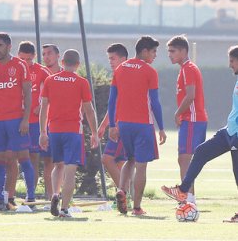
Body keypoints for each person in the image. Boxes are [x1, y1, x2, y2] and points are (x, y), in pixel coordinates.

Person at [161, 45, 238, 223]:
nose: (229, 65)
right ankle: (183, 190)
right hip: (229, 132)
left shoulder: (189, 69)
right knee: (201, 151)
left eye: (232, 61)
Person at [108, 36, 166, 215]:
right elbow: (155, 102)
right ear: (145, 51)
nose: (155, 55)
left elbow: (112, 100)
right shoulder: (150, 71)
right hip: (143, 125)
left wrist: (112, 125)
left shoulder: (120, 69)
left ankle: (121, 190)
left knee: (130, 159)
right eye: (154, 51)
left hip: (123, 124)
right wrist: (162, 127)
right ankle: (137, 207)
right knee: (141, 165)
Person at [0, 32, 35, 211]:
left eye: (0, 46)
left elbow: (27, 93)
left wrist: (25, 119)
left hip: (15, 120)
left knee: (24, 157)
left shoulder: (20, 66)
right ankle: (0, 200)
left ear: (9, 47)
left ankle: (31, 199)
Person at [39, 49, 99, 218]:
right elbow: (89, 109)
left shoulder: (50, 80)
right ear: (78, 65)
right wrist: (94, 133)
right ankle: (65, 209)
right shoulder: (82, 82)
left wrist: (43, 131)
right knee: (70, 169)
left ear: (62, 62)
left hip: (54, 130)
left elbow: (44, 107)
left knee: (57, 165)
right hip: (73, 131)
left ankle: (55, 195)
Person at [167, 35, 208, 204]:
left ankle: (187, 198)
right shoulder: (184, 69)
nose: (169, 54)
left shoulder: (189, 68)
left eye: (172, 51)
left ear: (183, 51)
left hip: (192, 119)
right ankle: (189, 197)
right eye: (168, 51)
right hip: (191, 120)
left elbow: (190, 95)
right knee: (184, 159)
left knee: (185, 158)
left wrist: (177, 113)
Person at [18, 41, 51, 196]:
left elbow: (54, 91)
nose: (25, 62)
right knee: (11, 157)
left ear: (34, 57)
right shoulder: (12, 69)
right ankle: (5, 195)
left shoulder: (41, 71)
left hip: (34, 123)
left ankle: (30, 195)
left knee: (33, 159)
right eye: (22, 59)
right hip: (15, 120)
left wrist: (42, 106)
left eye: (29, 59)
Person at [97, 43, 128, 190]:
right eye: (109, 59)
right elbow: (113, 105)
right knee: (120, 163)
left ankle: (125, 194)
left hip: (122, 126)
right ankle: (124, 198)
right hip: (118, 124)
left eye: (113, 58)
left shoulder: (126, 75)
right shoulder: (118, 75)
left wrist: (113, 126)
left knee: (107, 159)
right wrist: (104, 125)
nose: (110, 62)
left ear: (123, 58)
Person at [41, 43, 62, 199]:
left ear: (58, 56)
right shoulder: (42, 75)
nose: (46, 57)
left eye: (49, 53)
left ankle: (61, 194)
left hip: (64, 125)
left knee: (63, 163)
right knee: (47, 161)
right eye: (44, 54)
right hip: (46, 125)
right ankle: (51, 196)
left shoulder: (67, 74)